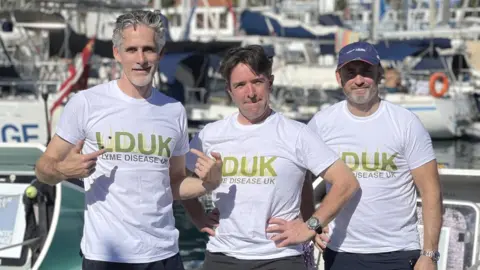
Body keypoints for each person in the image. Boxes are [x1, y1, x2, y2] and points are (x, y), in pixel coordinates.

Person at [34, 10, 223, 270]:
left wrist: (207, 184)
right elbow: (43, 168)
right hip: (106, 256)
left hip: (164, 254)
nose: (141, 59)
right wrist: (63, 170)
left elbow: (175, 183)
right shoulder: (86, 103)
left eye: (149, 49)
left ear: (161, 53)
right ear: (117, 53)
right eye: (132, 49)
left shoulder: (173, 110)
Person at [181, 45, 360, 270]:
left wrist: (310, 225)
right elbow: (178, 180)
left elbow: (346, 182)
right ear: (229, 90)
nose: (250, 92)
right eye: (240, 85)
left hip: (281, 257)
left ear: (270, 82)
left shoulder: (296, 134)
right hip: (222, 256)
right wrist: (198, 215)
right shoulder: (210, 135)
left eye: (257, 82)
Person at [305, 41, 443, 270]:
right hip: (341, 251)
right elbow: (297, 177)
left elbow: (431, 192)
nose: (358, 80)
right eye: (351, 73)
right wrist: (310, 222)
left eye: (366, 71)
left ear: (379, 73)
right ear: (339, 78)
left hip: (397, 251)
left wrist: (429, 254)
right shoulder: (322, 123)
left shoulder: (406, 122)